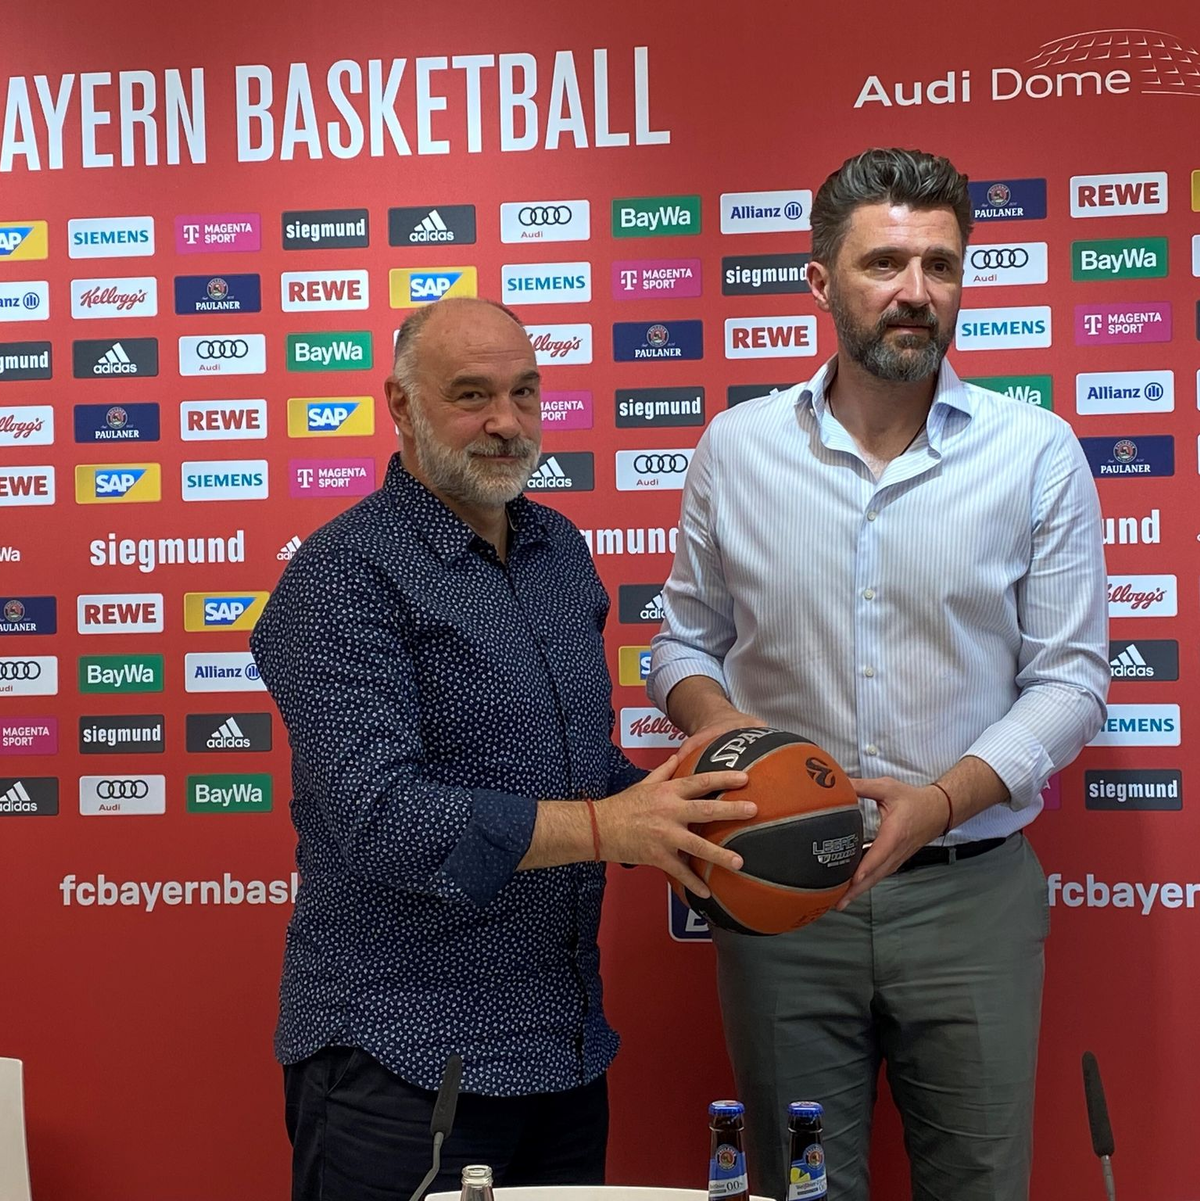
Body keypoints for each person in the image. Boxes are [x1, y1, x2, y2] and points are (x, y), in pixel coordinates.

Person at [648, 149, 1108, 1200]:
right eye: (885, 263)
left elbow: (1073, 680)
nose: (915, 292)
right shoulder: (737, 448)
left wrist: (938, 802)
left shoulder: (1035, 452)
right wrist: (735, 737)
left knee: (981, 1187)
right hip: (778, 892)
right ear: (821, 282)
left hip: (970, 895)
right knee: (796, 1191)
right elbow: (679, 642)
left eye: (940, 265)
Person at [250, 296, 754, 1199]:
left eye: (525, 392)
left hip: (561, 1051)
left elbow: (574, 772)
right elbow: (378, 816)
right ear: (402, 406)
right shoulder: (341, 575)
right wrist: (609, 825)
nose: (507, 423)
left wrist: (677, 815)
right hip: (401, 1059)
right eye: (472, 395)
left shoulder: (560, 550)